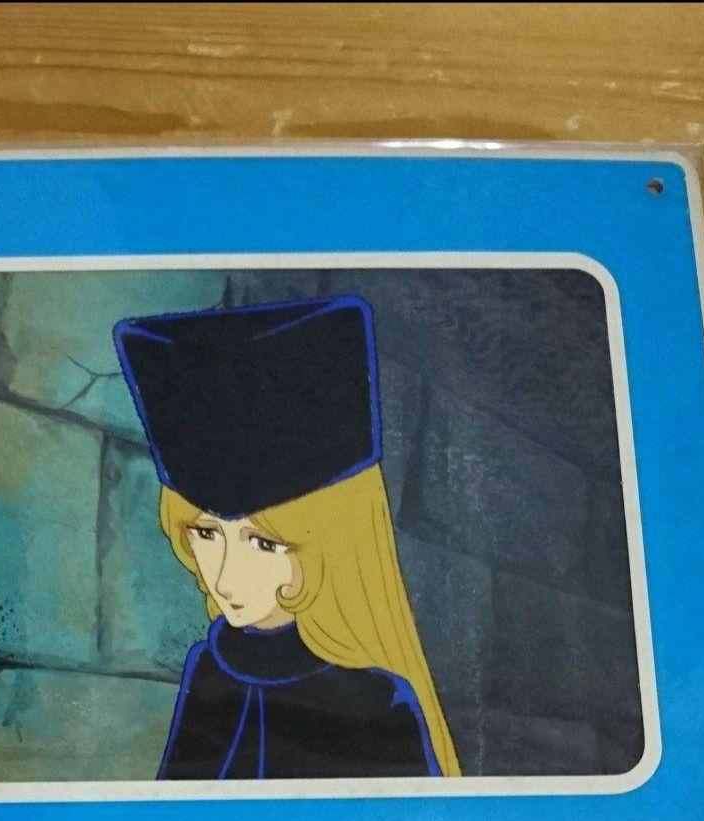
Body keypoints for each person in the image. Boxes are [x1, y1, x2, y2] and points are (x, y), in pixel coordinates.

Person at [114, 294, 460, 780]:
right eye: (207, 533)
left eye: (264, 543)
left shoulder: (379, 706)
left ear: (331, 543)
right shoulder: (209, 669)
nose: (225, 577)